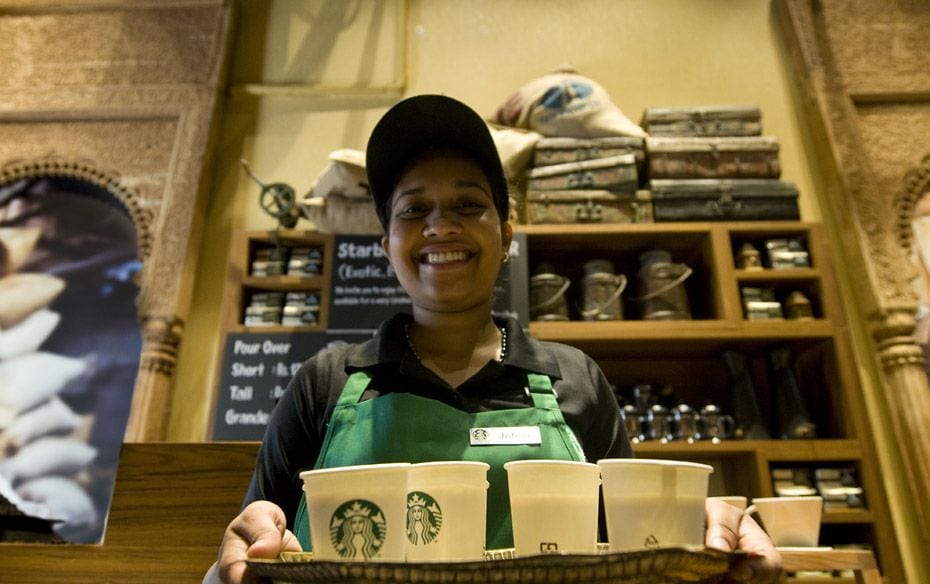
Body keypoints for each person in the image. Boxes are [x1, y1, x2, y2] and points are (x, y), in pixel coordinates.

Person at [204, 94, 782, 583]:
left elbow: (639, 548)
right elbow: (247, 548)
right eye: (414, 209)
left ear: (507, 234)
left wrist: (698, 532)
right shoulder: (325, 384)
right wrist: (229, 560)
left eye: (467, 204)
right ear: (386, 247)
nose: (440, 225)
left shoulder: (574, 379)